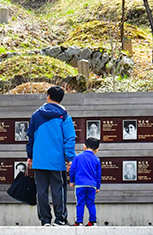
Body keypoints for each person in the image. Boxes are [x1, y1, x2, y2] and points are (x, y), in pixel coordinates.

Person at [26, 85, 76, 227]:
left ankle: (45, 220)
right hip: (57, 160)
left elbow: (30, 137)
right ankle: (60, 219)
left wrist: (30, 156)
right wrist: (70, 158)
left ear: (48, 96)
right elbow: (70, 138)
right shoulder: (64, 116)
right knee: (58, 190)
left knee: (41, 191)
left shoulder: (36, 115)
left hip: (39, 160)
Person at [70, 138, 102, 226]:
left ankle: (79, 222)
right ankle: (93, 221)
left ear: (84, 146)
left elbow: (72, 170)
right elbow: (98, 175)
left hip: (80, 184)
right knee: (91, 203)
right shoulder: (96, 159)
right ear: (97, 149)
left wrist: (72, 181)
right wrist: (98, 186)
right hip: (92, 185)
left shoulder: (78, 157)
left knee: (80, 203)